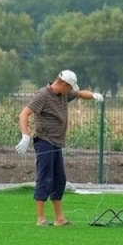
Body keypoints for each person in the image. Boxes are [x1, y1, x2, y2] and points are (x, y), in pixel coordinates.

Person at [15, 70, 104, 226]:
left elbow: (80, 94)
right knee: (45, 178)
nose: (70, 91)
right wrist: (25, 136)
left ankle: (59, 218)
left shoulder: (64, 94)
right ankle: (41, 218)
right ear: (63, 84)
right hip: (44, 141)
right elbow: (24, 114)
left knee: (59, 179)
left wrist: (94, 95)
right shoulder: (43, 95)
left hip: (57, 143)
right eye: (69, 87)